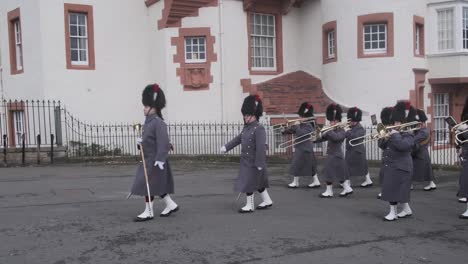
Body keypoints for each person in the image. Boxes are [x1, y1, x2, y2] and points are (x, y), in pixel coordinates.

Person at [130, 84, 179, 222]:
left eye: (146, 106)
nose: (144, 108)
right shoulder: (148, 123)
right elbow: (150, 141)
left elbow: (163, 142)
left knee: (148, 186)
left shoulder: (158, 123)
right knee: (156, 185)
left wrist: (160, 159)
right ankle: (170, 204)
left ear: (153, 107)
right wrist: (141, 143)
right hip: (148, 160)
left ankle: (149, 211)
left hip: (155, 161)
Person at [221, 95, 273, 213]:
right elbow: (237, 139)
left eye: (247, 115)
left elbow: (260, 147)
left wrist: (259, 163)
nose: (244, 117)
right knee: (259, 184)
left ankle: (250, 205)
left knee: (248, 184)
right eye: (244, 115)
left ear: (253, 115)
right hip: (246, 161)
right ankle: (267, 200)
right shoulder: (247, 128)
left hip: (254, 162)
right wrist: (226, 147)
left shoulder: (259, 129)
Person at [380, 101, 415, 221]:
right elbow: (383, 146)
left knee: (394, 190)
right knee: (395, 189)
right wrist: (385, 138)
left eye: (398, 122)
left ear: (404, 123)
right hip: (392, 165)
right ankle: (406, 209)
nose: (395, 124)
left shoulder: (408, 134)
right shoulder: (393, 133)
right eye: (395, 122)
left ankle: (393, 213)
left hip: (402, 166)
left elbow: (403, 146)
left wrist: (394, 136)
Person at [317, 103, 351, 198]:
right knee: (338, 174)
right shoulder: (331, 130)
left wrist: (328, 130)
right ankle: (347, 188)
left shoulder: (342, 130)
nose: (331, 123)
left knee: (329, 173)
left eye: (333, 121)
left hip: (336, 155)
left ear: (338, 121)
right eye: (331, 121)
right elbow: (323, 138)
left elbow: (336, 138)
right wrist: (315, 139)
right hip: (333, 155)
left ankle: (330, 192)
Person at [283, 102, 320, 189]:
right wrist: (286, 126)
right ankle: (316, 181)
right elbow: (290, 131)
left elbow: (300, 133)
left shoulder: (309, 125)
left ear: (305, 117)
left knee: (297, 164)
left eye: (301, 116)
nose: (299, 118)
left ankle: (295, 182)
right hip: (302, 148)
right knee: (310, 166)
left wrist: (296, 126)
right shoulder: (301, 124)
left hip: (305, 148)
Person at [345, 107, 372, 188]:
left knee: (359, 166)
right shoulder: (352, 127)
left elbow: (355, 137)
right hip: (353, 150)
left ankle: (347, 182)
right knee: (362, 166)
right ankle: (368, 180)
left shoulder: (360, 128)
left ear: (356, 120)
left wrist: (347, 131)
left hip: (357, 151)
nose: (350, 122)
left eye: (352, 121)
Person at [411, 109, 436, 191]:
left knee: (416, 168)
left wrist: (410, 133)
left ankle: (410, 184)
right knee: (426, 169)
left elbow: (413, 140)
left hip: (420, 152)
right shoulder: (424, 130)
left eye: (419, 124)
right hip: (421, 152)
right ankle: (432, 183)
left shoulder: (423, 132)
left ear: (421, 123)